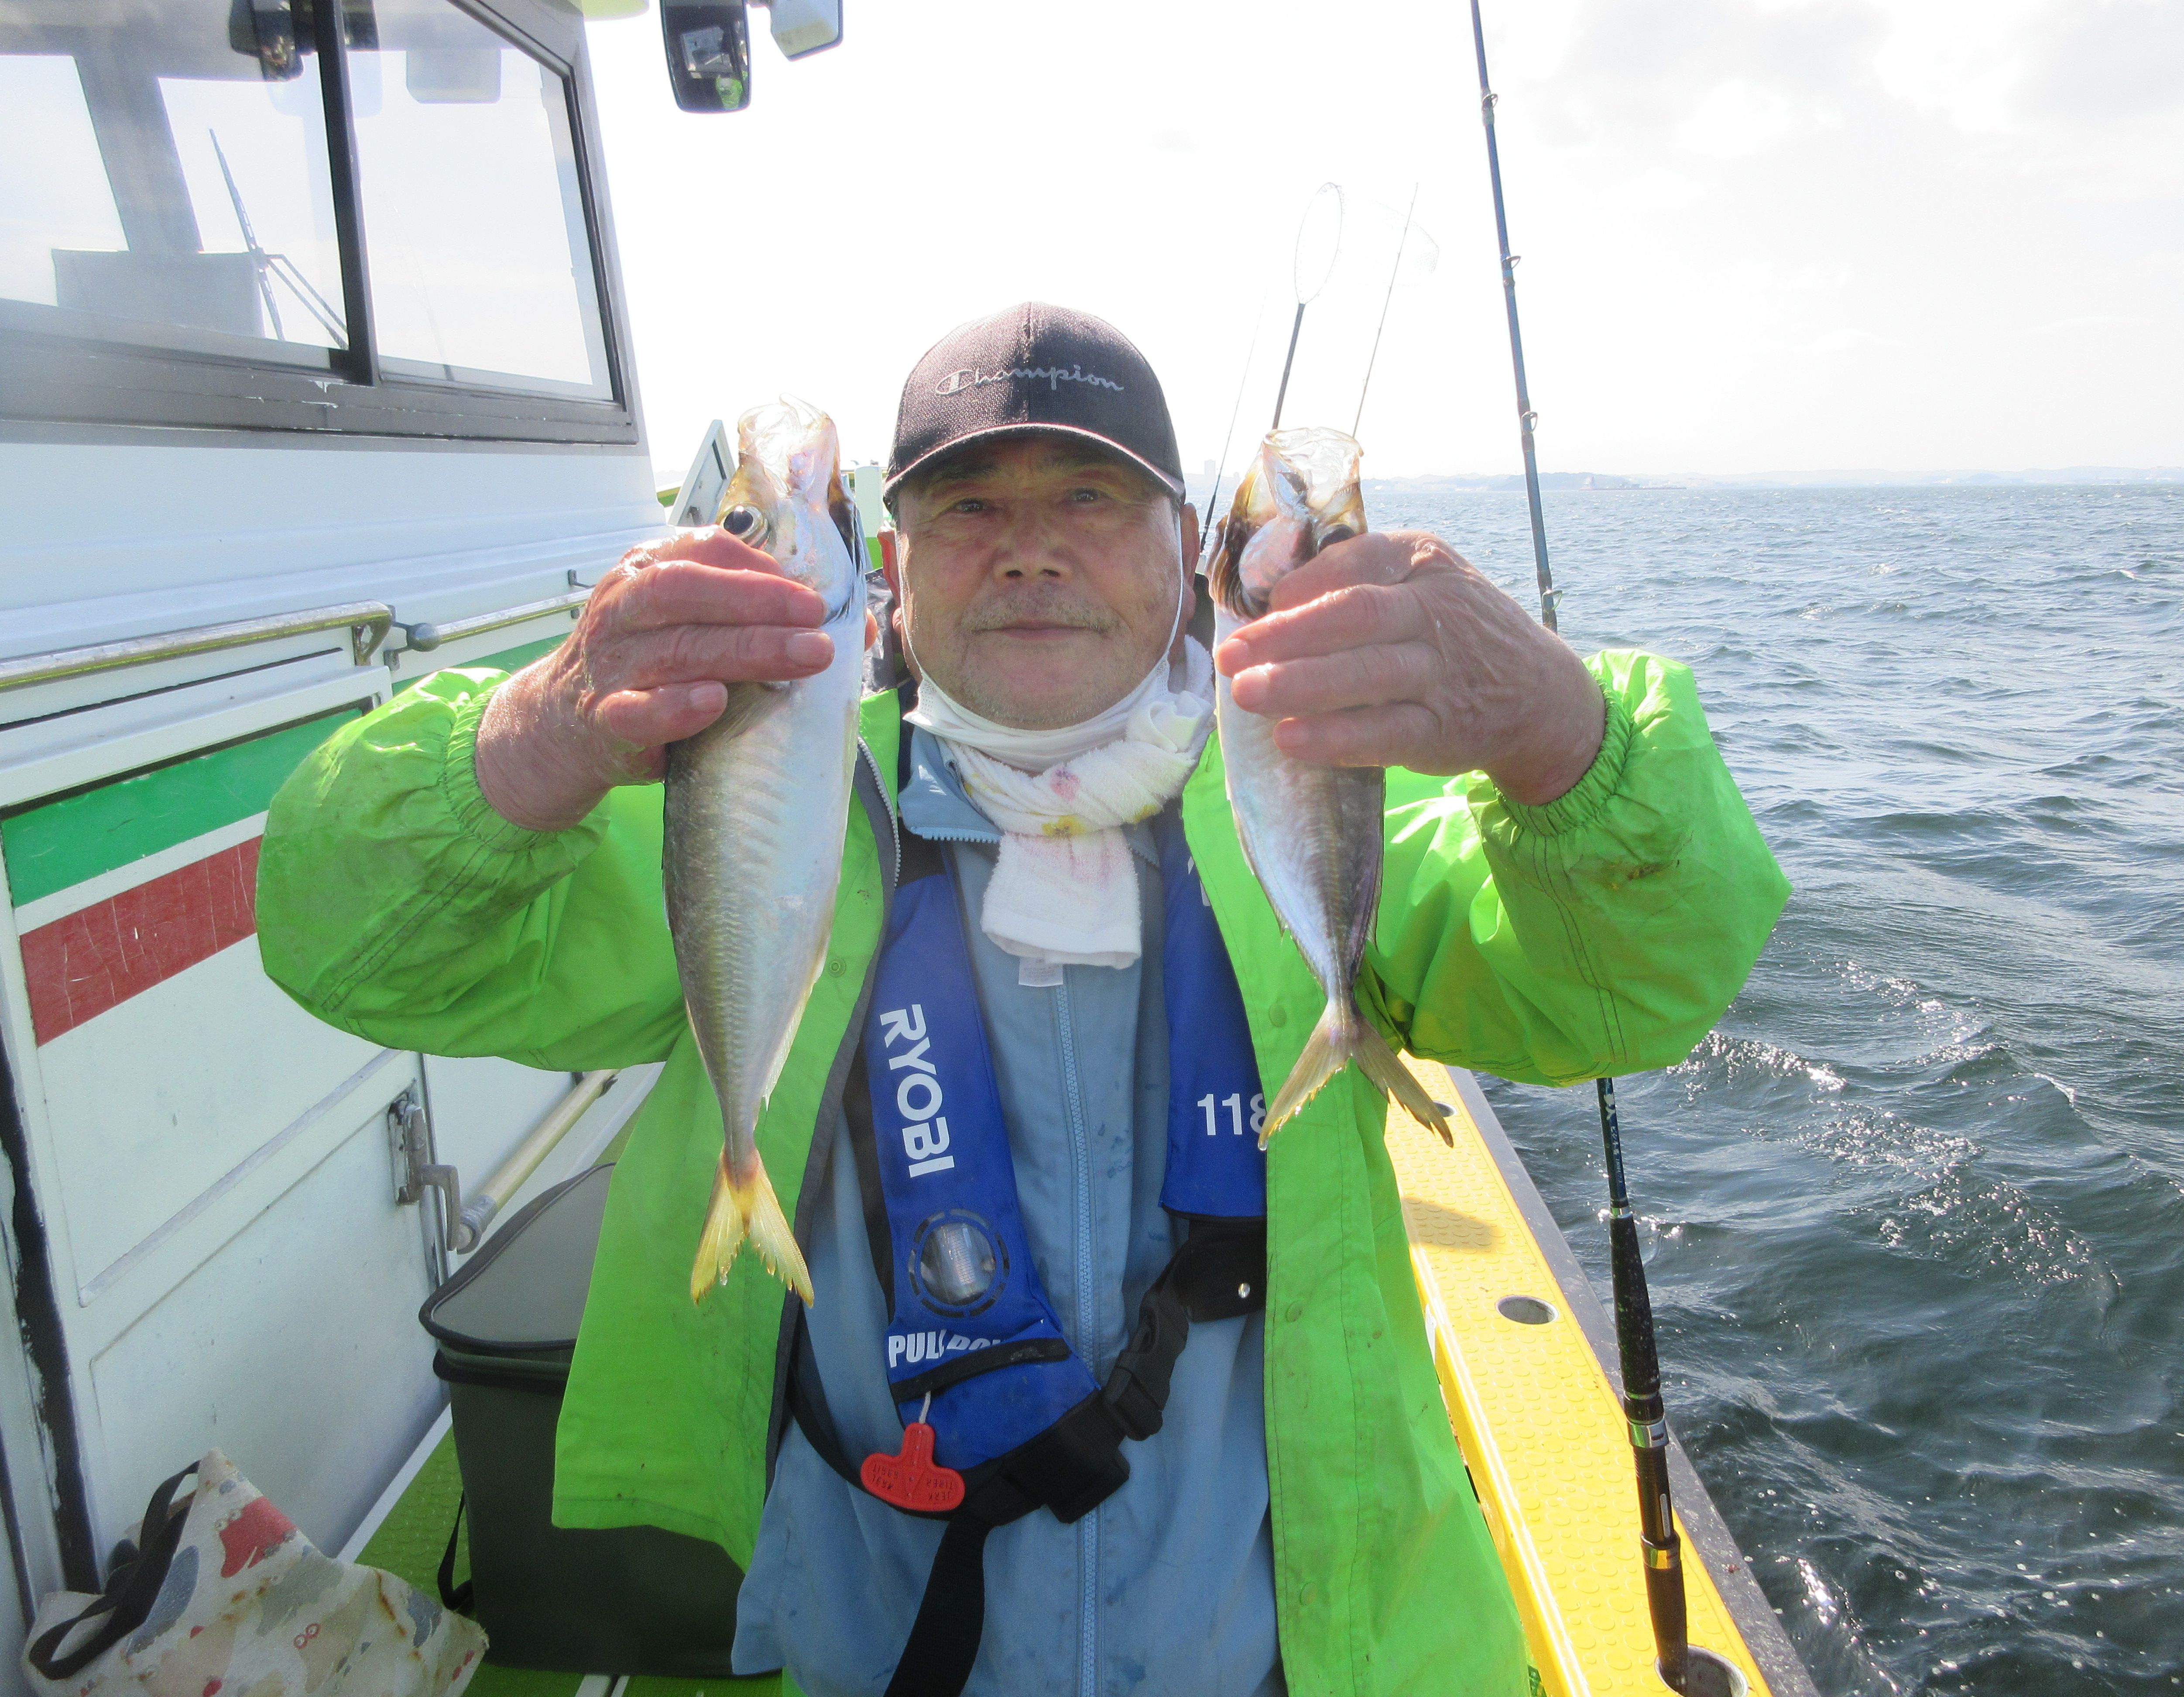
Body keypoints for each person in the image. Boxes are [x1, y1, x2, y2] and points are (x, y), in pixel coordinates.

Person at [259, 302, 1789, 1697]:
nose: (1031, 551)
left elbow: (1636, 994)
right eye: (970, 506)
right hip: (883, 1654)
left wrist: (1561, 734)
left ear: (1186, 548)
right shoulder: (755, 829)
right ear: (892, 566)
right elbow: (355, 950)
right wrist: (541, 730)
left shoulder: (1324, 814)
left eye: (1092, 500)